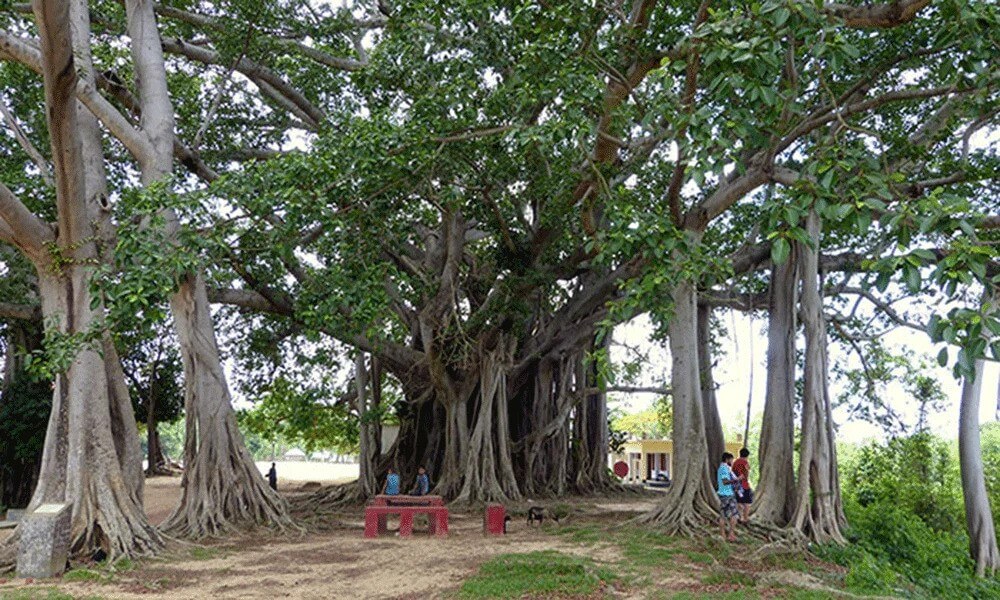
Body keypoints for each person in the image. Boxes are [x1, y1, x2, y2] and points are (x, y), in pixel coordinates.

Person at [717, 452, 739, 542]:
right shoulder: (723, 468)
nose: (732, 462)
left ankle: (726, 534)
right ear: (727, 459)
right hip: (727, 495)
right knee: (731, 515)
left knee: (726, 515)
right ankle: (728, 534)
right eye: (731, 460)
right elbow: (725, 481)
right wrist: (736, 480)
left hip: (726, 494)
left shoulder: (724, 468)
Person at [732, 447, 753, 524]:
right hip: (744, 485)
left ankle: (740, 517)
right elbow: (747, 472)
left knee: (739, 502)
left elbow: (733, 472)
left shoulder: (735, 462)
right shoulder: (745, 462)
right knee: (747, 502)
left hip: (737, 486)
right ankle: (745, 518)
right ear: (747, 455)